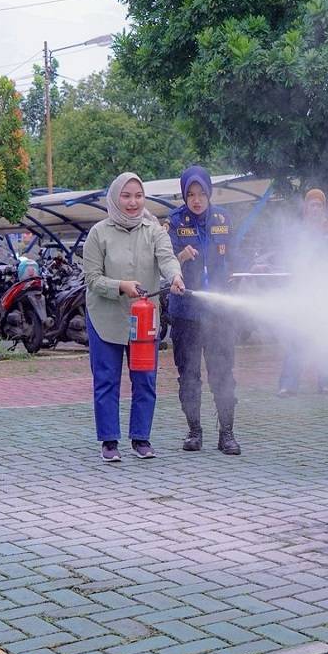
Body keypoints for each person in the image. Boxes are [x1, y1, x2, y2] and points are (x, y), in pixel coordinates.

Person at [82, 172, 185, 463]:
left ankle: (141, 438)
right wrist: (120, 286)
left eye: (138, 196)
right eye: (126, 196)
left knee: (145, 378)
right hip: (106, 317)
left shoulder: (154, 230)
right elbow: (91, 278)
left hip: (144, 318)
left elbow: (166, 258)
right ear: (115, 198)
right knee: (106, 379)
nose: (132, 202)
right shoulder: (99, 233)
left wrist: (175, 276)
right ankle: (109, 441)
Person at [167, 166, 241, 455]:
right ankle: (194, 432)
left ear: (209, 192)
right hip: (186, 312)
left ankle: (227, 433)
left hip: (219, 311)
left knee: (222, 371)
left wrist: (241, 271)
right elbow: (162, 261)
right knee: (188, 374)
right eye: (190, 194)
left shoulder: (224, 219)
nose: (196, 200)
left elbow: (236, 255)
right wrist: (180, 257)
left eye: (201, 193)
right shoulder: (174, 222)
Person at [277, 188, 328, 397]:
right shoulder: (298, 232)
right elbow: (287, 257)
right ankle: (288, 385)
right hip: (301, 292)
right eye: (312, 204)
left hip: (324, 293)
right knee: (296, 339)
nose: (315, 208)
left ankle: (326, 383)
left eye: (319, 205)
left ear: (324, 208)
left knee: (326, 339)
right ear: (306, 207)